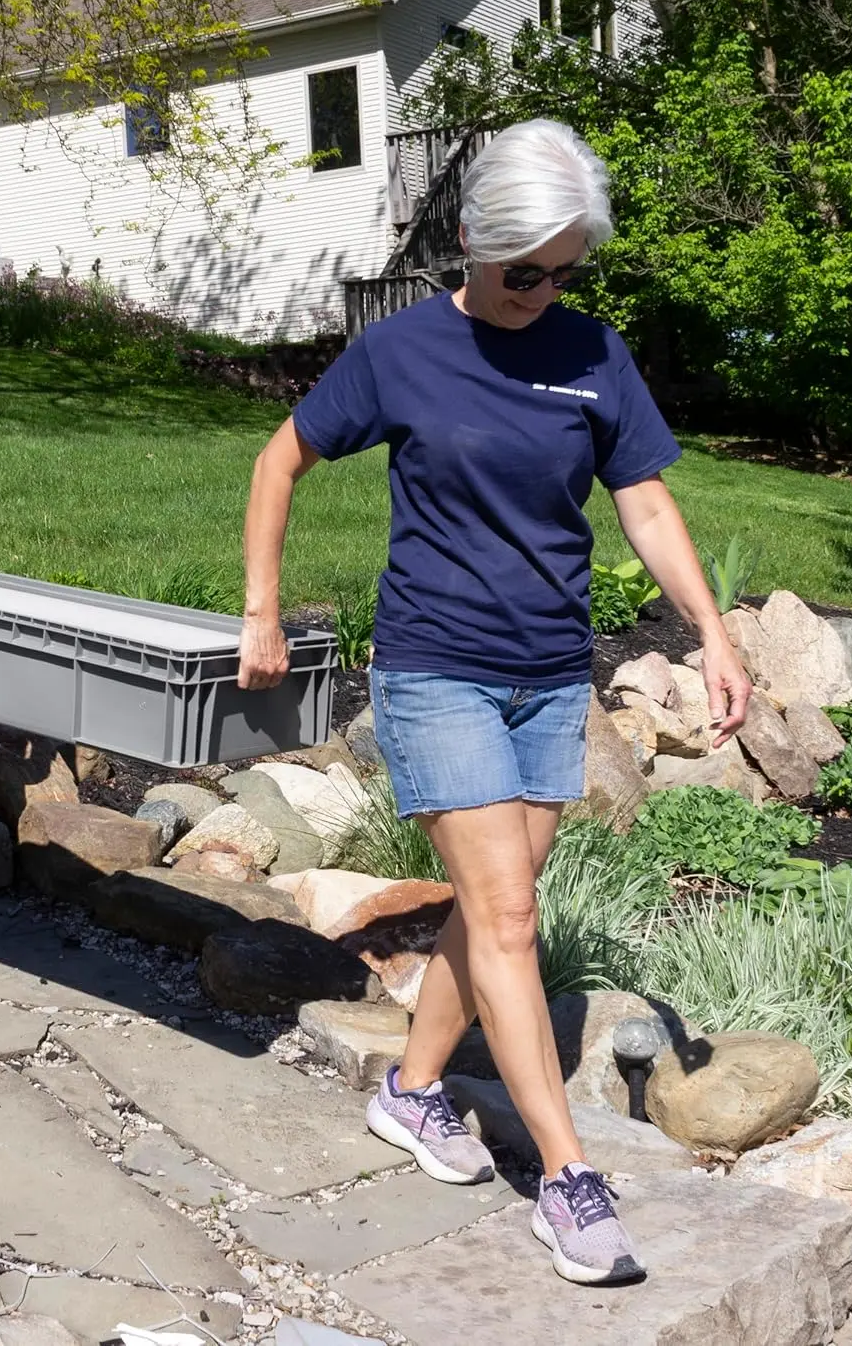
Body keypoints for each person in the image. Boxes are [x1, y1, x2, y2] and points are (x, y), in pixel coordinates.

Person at [238, 119, 750, 1286]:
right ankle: (568, 1180)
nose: (544, 290)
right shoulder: (402, 352)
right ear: (472, 239)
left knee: (487, 911)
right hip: (435, 667)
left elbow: (649, 506)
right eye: (526, 268)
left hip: (544, 676)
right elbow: (280, 462)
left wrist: (715, 634)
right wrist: (262, 608)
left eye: (566, 270)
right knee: (510, 917)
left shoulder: (592, 353)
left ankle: (415, 1092)